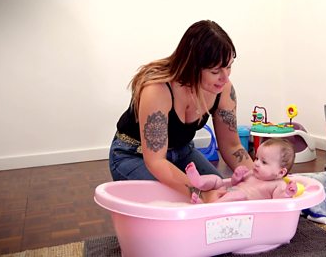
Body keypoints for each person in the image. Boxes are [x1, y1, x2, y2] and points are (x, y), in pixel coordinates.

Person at [109, 20, 254, 202]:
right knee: (184, 201)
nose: (225, 77)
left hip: (182, 152)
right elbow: (156, 161)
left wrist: (259, 179)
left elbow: (232, 146)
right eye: (216, 70)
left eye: (229, 66)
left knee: (223, 195)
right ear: (193, 66)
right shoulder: (158, 90)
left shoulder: (223, 89)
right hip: (132, 155)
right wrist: (201, 193)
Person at [185, 138, 297, 203]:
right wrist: (236, 177)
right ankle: (199, 182)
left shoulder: (278, 184)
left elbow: (278, 203)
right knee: (217, 179)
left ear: (281, 172)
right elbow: (234, 183)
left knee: (239, 195)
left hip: (239, 205)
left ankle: (209, 208)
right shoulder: (253, 173)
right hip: (226, 192)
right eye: (257, 158)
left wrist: (287, 193)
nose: (256, 163)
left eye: (264, 162)